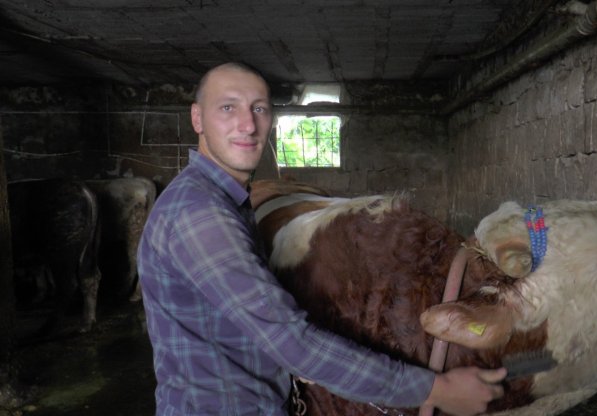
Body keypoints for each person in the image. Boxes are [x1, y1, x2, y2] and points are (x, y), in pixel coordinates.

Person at [137, 62, 506, 416]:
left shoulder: (223, 198)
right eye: (228, 107)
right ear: (197, 118)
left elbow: (251, 329)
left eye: (260, 109)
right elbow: (291, 341)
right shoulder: (199, 215)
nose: (247, 125)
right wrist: (436, 390)